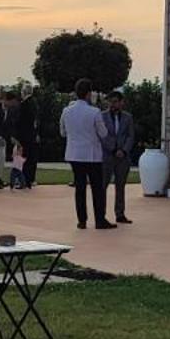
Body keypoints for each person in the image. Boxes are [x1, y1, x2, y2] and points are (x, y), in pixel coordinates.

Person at [60, 78, 112, 229]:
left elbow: (63, 132)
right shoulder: (94, 112)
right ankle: (99, 219)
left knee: (80, 188)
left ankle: (82, 220)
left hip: (74, 154)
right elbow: (103, 133)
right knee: (97, 188)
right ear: (89, 93)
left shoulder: (66, 111)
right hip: (92, 155)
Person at [101, 90, 135, 224]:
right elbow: (102, 135)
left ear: (122, 102)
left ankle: (120, 214)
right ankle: (101, 214)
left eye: (115, 101)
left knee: (120, 186)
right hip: (107, 156)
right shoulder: (102, 116)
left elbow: (130, 136)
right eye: (110, 102)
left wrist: (124, 150)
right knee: (103, 186)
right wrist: (113, 149)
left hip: (123, 157)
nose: (112, 104)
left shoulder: (128, 117)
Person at [9, 92, 38, 189]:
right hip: (31, 136)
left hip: (23, 137)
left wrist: (15, 136)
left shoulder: (23, 106)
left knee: (22, 161)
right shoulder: (34, 105)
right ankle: (29, 181)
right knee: (30, 160)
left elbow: (18, 123)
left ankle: (23, 181)